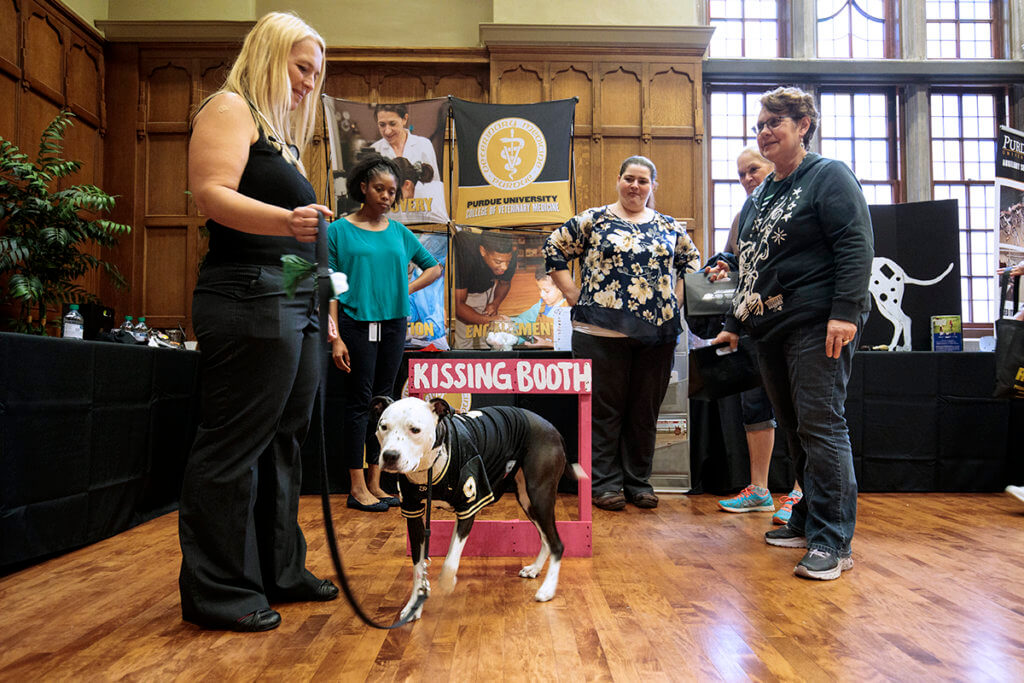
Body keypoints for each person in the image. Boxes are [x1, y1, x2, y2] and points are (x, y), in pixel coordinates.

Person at [178, 12, 338, 632]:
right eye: (302, 67)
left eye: (316, 73)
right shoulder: (229, 106)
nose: (309, 82)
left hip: (293, 301)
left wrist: (325, 304)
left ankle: (280, 569)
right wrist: (286, 221)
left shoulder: (281, 137)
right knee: (234, 444)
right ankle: (219, 591)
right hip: (246, 295)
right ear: (270, 55)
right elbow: (211, 193)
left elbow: (302, 244)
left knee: (284, 440)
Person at [714, 87, 874, 581]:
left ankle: (833, 541)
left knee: (822, 426)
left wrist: (845, 311)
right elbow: (752, 264)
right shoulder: (762, 193)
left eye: (775, 122)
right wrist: (734, 325)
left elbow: (855, 241)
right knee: (798, 431)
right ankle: (805, 521)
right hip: (769, 328)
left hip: (817, 320)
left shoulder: (828, 175)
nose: (764, 132)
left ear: (803, 125)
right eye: (760, 124)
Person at [545, 155, 701, 510]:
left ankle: (638, 482)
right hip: (599, 332)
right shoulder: (594, 219)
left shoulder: (669, 225)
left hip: (656, 336)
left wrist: (674, 302)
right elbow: (554, 247)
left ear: (653, 187)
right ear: (618, 181)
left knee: (644, 412)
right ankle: (604, 484)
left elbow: (692, 265)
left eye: (643, 181)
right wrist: (571, 293)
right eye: (629, 178)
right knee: (604, 412)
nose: (635, 186)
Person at [328, 153, 441, 512]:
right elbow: (330, 286)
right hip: (354, 324)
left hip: (393, 325)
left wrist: (402, 290)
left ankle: (377, 484)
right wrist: (335, 338)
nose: (387, 197)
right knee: (359, 404)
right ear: (363, 187)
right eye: (379, 189)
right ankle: (357, 487)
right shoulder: (338, 231)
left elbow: (432, 269)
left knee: (384, 405)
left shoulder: (399, 232)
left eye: (392, 191)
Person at [710, 147, 803, 524]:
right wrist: (723, 266)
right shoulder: (743, 214)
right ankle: (760, 490)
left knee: (801, 410)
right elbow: (739, 263)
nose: (748, 178)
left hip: (795, 322)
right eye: (741, 174)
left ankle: (802, 492)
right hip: (753, 326)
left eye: (754, 169)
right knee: (754, 408)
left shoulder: (798, 203)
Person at [370, 103, 447, 221]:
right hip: (389, 219)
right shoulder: (375, 150)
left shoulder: (423, 145)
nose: (387, 131)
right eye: (382, 125)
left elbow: (433, 186)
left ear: (404, 119)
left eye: (392, 124)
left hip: (421, 218)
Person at [452, 230, 518, 349]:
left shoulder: (510, 253)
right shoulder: (466, 253)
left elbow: (504, 282)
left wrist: (495, 303)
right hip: (465, 293)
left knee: (488, 338)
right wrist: (490, 320)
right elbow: (459, 307)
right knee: (464, 340)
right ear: (483, 251)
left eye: (507, 261)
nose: (505, 267)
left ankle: (487, 363)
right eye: (498, 262)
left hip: (488, 288)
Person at [509, 269, 570, 346]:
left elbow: (571, 344)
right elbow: (525, 321)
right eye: (539, 289)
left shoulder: (568, 310)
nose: (542, 294)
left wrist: (547, 344)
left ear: (561, 288)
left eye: (546, 291)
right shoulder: (541, 304)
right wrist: (509, 321)